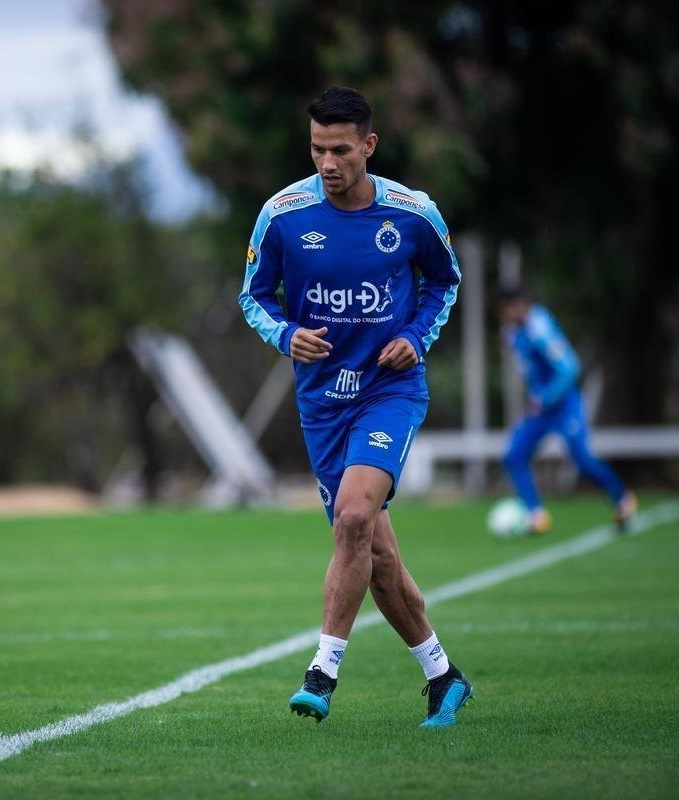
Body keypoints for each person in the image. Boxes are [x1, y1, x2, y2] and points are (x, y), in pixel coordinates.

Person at [238, 87, 471, 727]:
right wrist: (286, 335)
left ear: (368, 145)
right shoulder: (282, 216)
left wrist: (415, 338)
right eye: (317, 149)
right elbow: (253, 297)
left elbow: (444, 283)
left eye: (340, 149)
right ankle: (443, 677)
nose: (327, 162)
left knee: (353, 515)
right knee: (379, 559)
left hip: (387, 391)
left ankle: (321, 673)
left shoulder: (413, 213)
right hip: (321, 404)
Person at [497, 289, 637, 534]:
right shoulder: (513, 333)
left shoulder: (539, 327)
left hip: (564, 404)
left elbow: (570, 367)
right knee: (514, 453)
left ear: (520, 305)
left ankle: (623, 499)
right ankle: (535, 514)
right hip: (542, 408)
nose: (504, 315)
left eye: (507, 309)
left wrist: (546, 396)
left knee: (582, 460)